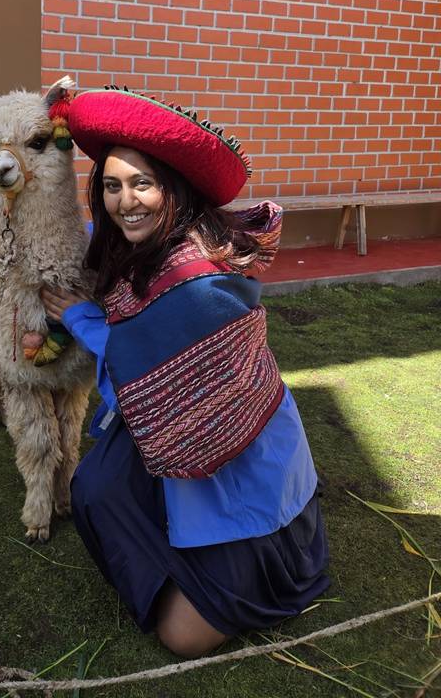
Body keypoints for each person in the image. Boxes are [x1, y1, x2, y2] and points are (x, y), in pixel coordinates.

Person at [40, 86, 330, 658]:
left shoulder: (196, 278)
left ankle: (239, 562)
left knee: (183, 636)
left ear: (173, 188)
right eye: (112, 185)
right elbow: (115, 299)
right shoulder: (134, 246)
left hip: (234, 448)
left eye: (142, 184)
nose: (127, 202)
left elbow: (137, 362)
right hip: (175, 419)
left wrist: (75, 317)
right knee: (96, 489)